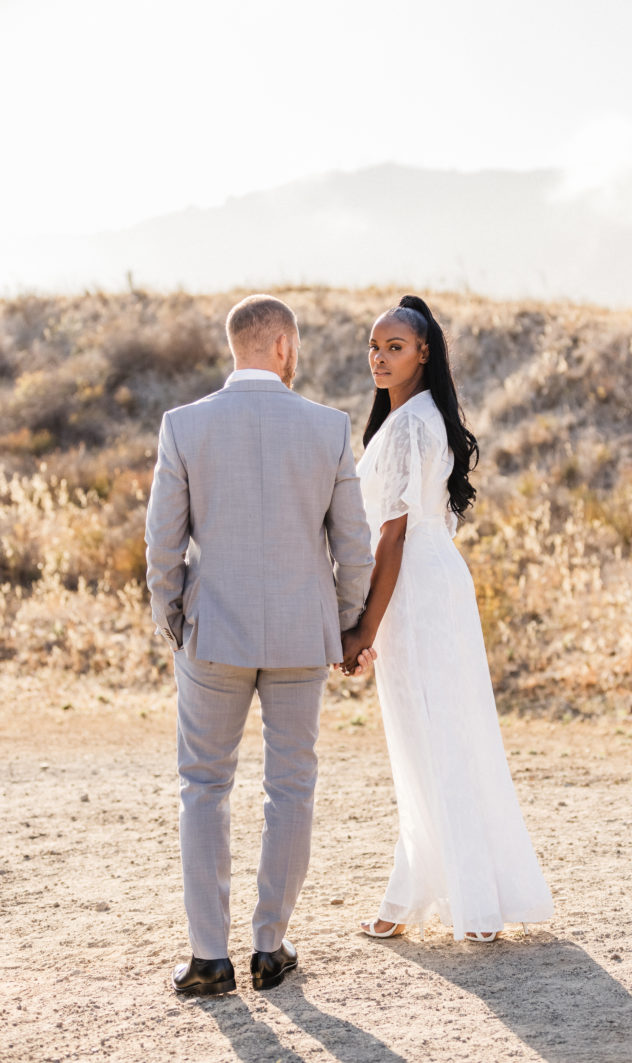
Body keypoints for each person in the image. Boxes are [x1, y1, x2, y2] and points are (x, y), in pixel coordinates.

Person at [145, 294, 374, 995]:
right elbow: (355, 549)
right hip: (304, 636)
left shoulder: (184, 425)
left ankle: (210, 955)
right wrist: (342, 623)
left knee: (204, 786)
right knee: (291, 786)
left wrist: (175, 617)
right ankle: (270, 945)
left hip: (212, 631)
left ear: (235, 346)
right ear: (282, 346)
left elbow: (162, 544)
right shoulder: (329, 428)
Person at [341, 295, 553, 942]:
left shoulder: (410, 424)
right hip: (434, 581)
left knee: (430, 736)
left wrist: (362, 631)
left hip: (415, 589)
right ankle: (431, 894)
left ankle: (465, 901)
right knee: (437, 736)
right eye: (374, 347)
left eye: (395, 347)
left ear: (424, 351)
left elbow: (394, 538)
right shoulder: (417, 415)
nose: (380, 357)